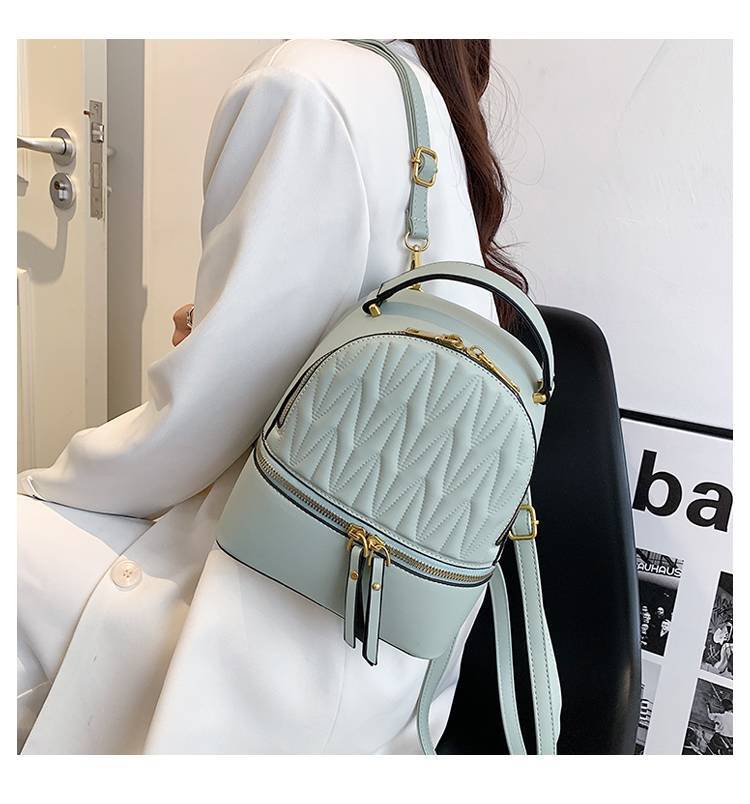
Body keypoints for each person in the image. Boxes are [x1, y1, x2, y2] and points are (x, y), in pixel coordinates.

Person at [17, 39, 524, 754]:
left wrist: (49, 481)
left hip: (276, 616)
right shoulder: (418, 89)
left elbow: (192, 431)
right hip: (393, 632)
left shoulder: (302, 84)